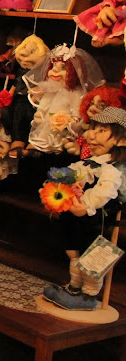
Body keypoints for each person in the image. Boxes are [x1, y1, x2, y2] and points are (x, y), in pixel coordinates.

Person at [42, 107, 126, 310]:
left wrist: (87, 206)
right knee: (74, 248)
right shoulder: (93, 162)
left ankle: (89, 295)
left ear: (121, 140)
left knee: (92, 251)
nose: (92, 135)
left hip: (98, 215)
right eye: (93, 129)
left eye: (102, 131)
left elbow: (105, 191)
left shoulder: (113, 170)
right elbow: (76, 171)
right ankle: (74, 287)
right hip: (79, 212)